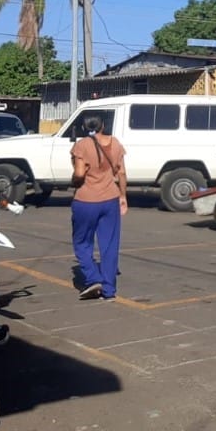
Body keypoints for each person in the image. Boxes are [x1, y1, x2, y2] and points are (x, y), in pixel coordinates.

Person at [70, 115, 127, 300]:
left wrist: (74, 181)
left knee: (82, 242)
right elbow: (122, 172)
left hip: (86, 201)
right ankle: (109, 290)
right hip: (110, 199)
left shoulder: (82, 145)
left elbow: (79, 173)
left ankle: (93, 278)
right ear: (103, 125)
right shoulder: (116, 143)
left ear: (85, 126)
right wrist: (123, 196)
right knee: (109, 245)